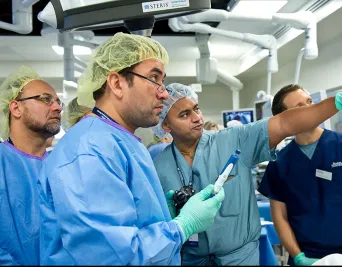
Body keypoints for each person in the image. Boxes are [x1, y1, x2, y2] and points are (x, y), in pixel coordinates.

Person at [152, 70, 342, 266]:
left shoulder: (234, 140)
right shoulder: (157, 165)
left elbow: (287, 122)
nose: (196, 118)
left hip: (238, 259)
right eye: (184, 114)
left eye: (196, 109)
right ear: (165, 125)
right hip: (189, 260)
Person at [37, 32, 225, 266]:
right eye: (154, 78)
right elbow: (110, 257)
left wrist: (162, 215)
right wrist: (181, 227)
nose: (164, 93)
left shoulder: (119, 140)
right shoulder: (89, 151)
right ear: (117, 83)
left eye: (163, 81)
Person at [258, 84, 342, 266]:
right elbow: (280, 217)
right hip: (306, 257)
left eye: (310, 102)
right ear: (284, 118)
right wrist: (299, 257)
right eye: (299, 106)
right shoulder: (279, 162)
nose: (310, 108)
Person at [0, 66, 62, 265]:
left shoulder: (62, 166)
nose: (57, 107)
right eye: (45, 99)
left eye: (58, 102)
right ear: (16, 108)